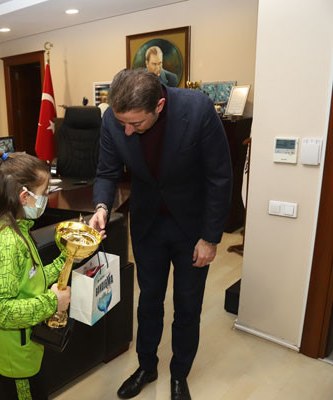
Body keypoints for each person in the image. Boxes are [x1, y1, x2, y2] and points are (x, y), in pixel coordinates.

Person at [89, 69, 232, 400]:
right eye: (123, 123)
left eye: (136, 123)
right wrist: (101, 207)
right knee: (148, 301)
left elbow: (219, 177)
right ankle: (146, 366)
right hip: (148, 223)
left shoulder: (197, 109)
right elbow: (107, 171)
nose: (127, 130)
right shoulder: (113, 118)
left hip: (192, 228)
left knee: (187, 305)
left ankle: (179, 373)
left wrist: (210, 238)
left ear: (160, 106)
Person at [0, 151, 71, 400]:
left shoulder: (18, 228)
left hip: (24, 345)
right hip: (14, 356)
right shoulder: (7, 243)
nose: (46, 199)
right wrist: (52, 302)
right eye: (44, 193)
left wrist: (69, 257)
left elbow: (32, 279)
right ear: (24, 197)